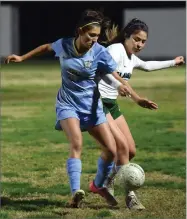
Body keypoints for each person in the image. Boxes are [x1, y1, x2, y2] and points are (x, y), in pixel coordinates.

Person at [5, 9, 134, 208]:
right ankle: (75, 193)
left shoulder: (99, 51)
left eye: (97, 36)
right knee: (77, 144)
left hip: (91, 107)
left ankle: (98, 185)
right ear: (80, 32)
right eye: (91, 35)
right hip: (68, 104)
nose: (94, 40)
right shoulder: (64, 44)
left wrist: (122, 86)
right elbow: (46, 47)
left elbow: (112, 72)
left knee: (111, 149)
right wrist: (22, 57)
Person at [90, 18, 185, 210]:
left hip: (111, 104)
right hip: (97, 102)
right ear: (127, 36)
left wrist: (174, 62)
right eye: (136, 39)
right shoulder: (115, 50)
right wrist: (122, 88)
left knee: (130, 151)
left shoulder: (131, 57)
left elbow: (148, 66)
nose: (139, 44)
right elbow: (105, 71)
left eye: (143, 41)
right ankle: (130, 197)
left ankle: (104, 182)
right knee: (122, 148)